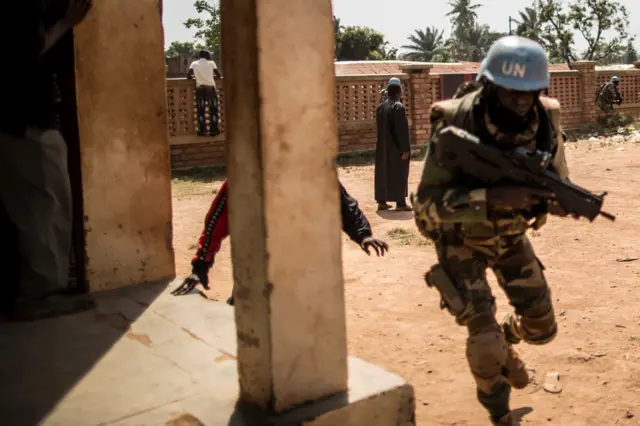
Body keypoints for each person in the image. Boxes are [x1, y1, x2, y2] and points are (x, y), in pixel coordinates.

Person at [411, 36, 573, 426]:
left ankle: (508, 341)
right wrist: (491, 195)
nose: (521, 100)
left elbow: (559, 180)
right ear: (490, 84)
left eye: (530, 91)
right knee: (483, 344)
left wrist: (548, 201)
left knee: (542, 329)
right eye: (512, 90)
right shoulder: (453, 121)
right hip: (459, 243)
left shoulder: (546, 120)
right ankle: (500, 414)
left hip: (510, 237)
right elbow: (423, 211)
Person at [0, 0, 95, 321]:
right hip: (25, 122)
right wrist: (67, 23)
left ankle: (37, 290)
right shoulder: (18, 10)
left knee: (35, 207)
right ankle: (38, 294)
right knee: (45, 207)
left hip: (18, 122)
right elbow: (23, 53)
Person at [172, 180, 389, 303]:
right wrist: (200, 265)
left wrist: (363, 234)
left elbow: (344, 204)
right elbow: (216, 223)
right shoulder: (245, 176)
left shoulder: (313, 170)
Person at [375, 77, 411, 212]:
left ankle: (382, 202)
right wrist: (404, 149)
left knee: (383, 173)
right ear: (398, 91)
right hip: (396, 149)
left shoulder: (381, 107)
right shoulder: (398, 107)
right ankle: (401, 204)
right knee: (399, 173)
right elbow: (401, 131)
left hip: (382, 148)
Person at [187, 50, 222, 136]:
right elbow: (219, 75)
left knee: (200, 110)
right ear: (207, 56)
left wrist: (197, 77)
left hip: (200, 88)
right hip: (210, 88)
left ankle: (202, 131)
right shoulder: (211, 63)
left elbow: (188, 75)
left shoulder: (194, 64)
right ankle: (214, 130)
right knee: (213, 109)